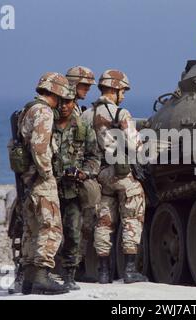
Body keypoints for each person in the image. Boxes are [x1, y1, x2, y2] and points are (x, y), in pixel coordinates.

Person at [81, 69, 148, 284]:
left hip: (100, 173)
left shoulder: (86, 115)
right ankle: (129, 271)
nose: (124, 95)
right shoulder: (121, 114)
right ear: (115, 89)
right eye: (123, 91)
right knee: (132, 216)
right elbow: (134, 144)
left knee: (104, 220)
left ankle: (103, 272)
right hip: (122, 173)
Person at [18, 72, 71, 295]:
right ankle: (41, 276)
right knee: (51, 227)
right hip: (41, 179)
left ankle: (29, 279)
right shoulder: (44, 111)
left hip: (28, 179)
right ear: (57, 92)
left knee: (32, 228)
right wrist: (48, 174)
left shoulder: (27, 110)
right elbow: (40, 148)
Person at [52, 87, 101, 290]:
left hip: (72, 189)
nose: (64, 106)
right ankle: (38, 272)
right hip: (49, 188)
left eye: (68, 102)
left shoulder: (82, 128)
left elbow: (94, 158)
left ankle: (69, 275)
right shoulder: (46, 125)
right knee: (47, 232)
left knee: (73, 232)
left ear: (73, 102)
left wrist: (83, 173)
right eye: (61, 101)